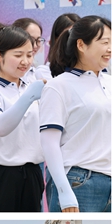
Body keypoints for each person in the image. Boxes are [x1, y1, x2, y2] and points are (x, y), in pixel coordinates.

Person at [40, 15, 111, 213]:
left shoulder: (109, 83)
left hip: (109, 181)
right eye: (105, 42)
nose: (110, 49)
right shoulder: (59, 85)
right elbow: (49, 143)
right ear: (81, 44)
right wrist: (64, 191)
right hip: (79, 182)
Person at [0, 25, 45, 212]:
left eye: (29, 55)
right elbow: (0, 127)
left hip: (32, 173)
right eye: (18, 55)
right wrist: (29, 97)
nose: (25, 61)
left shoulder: (29, 86)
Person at [36, 13, 80, 81]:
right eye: (69, 36)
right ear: (56, 39)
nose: (75, 42)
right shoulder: (45, 71)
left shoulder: (93, 71)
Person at [12, 17, 45, 83]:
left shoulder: (37, 73)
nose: (35, 46)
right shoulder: (8, 73)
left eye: (38, 40)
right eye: (31, 40)